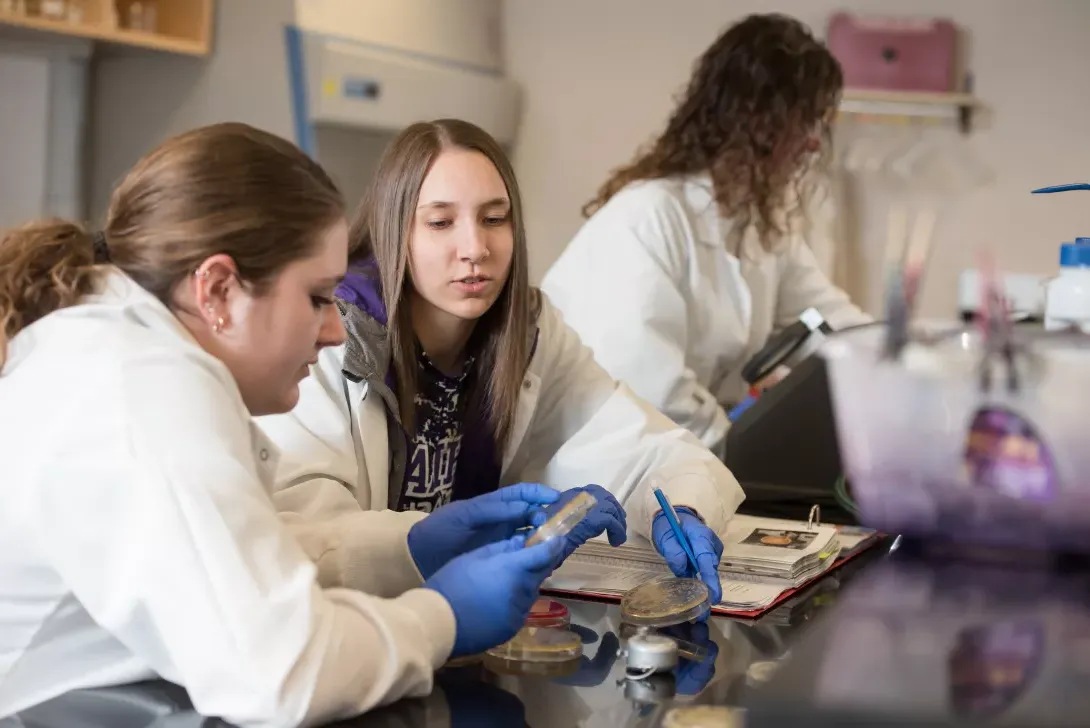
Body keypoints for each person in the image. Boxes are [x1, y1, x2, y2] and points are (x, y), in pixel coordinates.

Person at [0, 123, 582, 727]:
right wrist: (444, 617)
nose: (334, 330)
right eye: (317, 297)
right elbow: (281, 675)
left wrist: (409, 544)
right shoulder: (145, 390)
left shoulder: (120, 351)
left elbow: (230, 558)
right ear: (219, 290)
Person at [256, 118, 745, 605]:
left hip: (459, 628)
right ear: (395, 230)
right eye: (440, 222)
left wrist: (681, 507)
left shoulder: (528, 331)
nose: (475, 249)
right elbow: (308, 540)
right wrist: (434, 542)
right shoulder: (332, 334)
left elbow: (649, 449)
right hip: (362, 631)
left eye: (494, 219)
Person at [541, 13, 872, 456]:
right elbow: (647, 388)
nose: (813, 143)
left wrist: (905, 361)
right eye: (804, 120)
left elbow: (832, 323)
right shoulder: (648, 216)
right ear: (755, 119)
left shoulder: (758, 226)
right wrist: (739, 448)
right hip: (601, 463)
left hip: (683, 457)